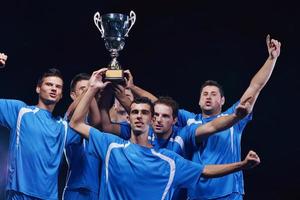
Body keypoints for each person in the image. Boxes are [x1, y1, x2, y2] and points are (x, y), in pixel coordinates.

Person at [69, 68, 261, 200]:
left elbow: (206, 167)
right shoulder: (111, 146)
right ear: (129, 117)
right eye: (134, 112)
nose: (139, 116)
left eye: (145, 113)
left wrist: (242, 164)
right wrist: (94, 88)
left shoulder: (169, 158)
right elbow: (76, 123)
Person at [176, 35, 281, 199]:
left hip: (229, 194)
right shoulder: (188, 119)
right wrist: (131, 88)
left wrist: (271, 59)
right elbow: (159, 106)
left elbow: (255, 86)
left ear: (222, 100)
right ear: (199, 100)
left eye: (213, 94)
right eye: (204, 94)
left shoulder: (235, 115)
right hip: (196, 195)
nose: (208, 97)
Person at [0, 67, 78, 200]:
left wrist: (93, 89)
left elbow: (93, 123)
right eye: (49, 84)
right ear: (38, 88)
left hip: (49, 197)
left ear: (61, 95)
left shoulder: (63, 127)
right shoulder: (20, 111)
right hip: (20, 193)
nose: (54, 88)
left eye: (58, 87)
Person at [63, 73, 102, 200]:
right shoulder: (67, 120)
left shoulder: (94, 121)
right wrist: (89, 88)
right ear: (73, 95)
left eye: (89, 88)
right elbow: (71, 113)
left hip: (95, 190)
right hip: (74, 188)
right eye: (82, 89)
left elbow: (96, 122)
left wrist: (93, 90)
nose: (87, 91)